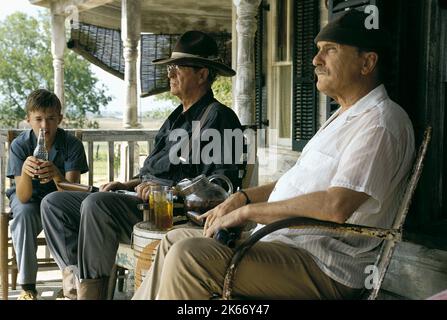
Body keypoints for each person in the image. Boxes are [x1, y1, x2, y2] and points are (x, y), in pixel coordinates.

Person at [133, 10, 415, 300]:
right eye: (318, 51)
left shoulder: (380, 123)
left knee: (189, 256)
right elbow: (293, 184)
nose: (316, 60)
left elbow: (336, 206)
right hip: (283, 245)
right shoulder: (342, 118)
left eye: (330, 51)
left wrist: (247, 212)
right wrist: (241, 198)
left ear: (367, 62)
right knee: (173, 239)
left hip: (323, 265)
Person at [40, 30, 242, 300]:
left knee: (96, 204)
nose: (169, 74)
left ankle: (92, 295)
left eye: (177, 68)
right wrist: (128, 184)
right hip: (140, 201)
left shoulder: (219, 118)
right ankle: (76, 279)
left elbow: (220, 187)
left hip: (172, 215)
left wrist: (166, 192)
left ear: (202, 74)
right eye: (170, 67)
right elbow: (154, 170)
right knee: (54, 203)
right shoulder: (175, 119)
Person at [6, 89, 88, 300]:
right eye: (39, 119)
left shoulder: (72, 145)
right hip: (29, 200)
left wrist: (57, 176)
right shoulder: (19, 146)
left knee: (73, 213)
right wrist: (25, 171)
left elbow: (73, 194)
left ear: (60, 118)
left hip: (59, 200)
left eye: (51, 119)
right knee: (23, 215)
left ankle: (72, 281)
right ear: (28, 119)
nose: (45, 126)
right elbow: (22, 197)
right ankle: (28, 286)